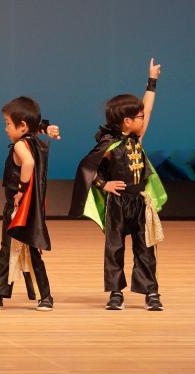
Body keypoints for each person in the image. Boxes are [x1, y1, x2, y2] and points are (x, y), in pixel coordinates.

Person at [69, 58, 167, 311]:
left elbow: (148, 108)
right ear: (126, 121)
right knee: (115, 247)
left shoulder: (137, 137)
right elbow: (87, 168)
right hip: (118, 204)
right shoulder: (109, 145)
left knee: (145, 247)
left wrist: (152, 81)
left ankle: (151, 291)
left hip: (140, 201)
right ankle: (115, 293)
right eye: (139, 117)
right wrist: (104, 185)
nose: (143, 119)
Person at [0, 96, 60, 311]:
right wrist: (46, 128)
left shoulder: (20, 145)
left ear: (22, 126)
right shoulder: (35, 142)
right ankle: (45, 297)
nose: (5, 129)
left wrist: (21, 191)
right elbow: (34, 134)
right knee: (31, 252)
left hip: (18, 209)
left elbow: (28, 163)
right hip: (31, 209)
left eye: (8, 124)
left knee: (7, 250)